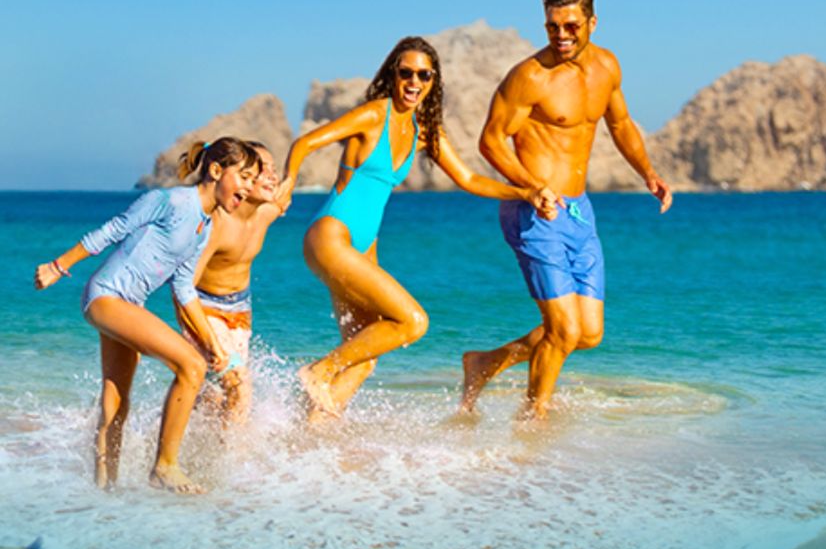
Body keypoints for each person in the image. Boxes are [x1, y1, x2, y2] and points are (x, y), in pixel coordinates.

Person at [277, 36, 556, 420]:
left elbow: (469, 179)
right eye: (405, 72)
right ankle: (318, 371)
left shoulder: (426, 132)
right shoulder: (376, 114)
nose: (414, 81)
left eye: (423, 75)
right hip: (330, 236)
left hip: (361, 247)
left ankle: (310, 432)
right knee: (412, 321)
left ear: (432, 81)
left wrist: (526, 192)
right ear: (393, 75)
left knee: (364, 354)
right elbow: (306, 142)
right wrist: (288, 184)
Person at [461, 0, 673, 420]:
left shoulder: (606, 68)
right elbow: (491, 142)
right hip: (533, 212)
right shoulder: (530, 77)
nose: (561, 35)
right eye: (553, 26)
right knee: (563, 328)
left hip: (579, 210)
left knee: (587, 333)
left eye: (571, 26)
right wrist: (531, 186)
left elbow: (621, 125)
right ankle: (533, 417)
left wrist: (648, 172)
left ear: (592, 23)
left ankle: (485, 363)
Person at [33, 138, 260, 493]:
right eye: (244, 177)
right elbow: (110, 232)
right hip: (107, 297)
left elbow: (184, 289)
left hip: (127, 306)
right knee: (191, 366)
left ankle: (103, 494)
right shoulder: (169, 201)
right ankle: (165, 467)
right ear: (216, 170)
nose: (248, 187)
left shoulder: (204, 227)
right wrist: (57, 266)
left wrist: (212, 343)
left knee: (117, 403)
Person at [175, 141, 288, 426]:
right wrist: (206, 339)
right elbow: (183, 287)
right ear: (243, 179)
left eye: (275, 170)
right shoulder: (217, 224)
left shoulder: (267, 212)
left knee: (213, 396)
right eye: (263, 171)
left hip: (240, 314)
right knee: (239, 385)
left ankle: (181, 444)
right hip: (205, 312)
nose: (273, 176)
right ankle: (233, 465)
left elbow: (287, 188)